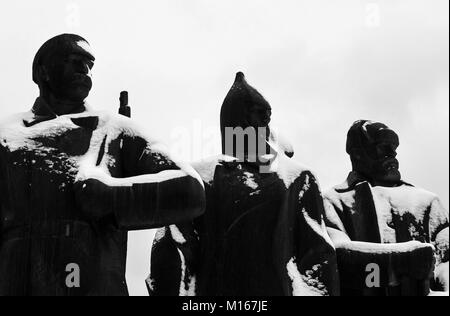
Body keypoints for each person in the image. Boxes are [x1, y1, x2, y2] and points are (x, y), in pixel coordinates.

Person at [0, 34, 205, 296]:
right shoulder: (6, 136)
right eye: (73, 61)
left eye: (88, 65)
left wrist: (112, 197)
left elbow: (190, 191)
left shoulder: (113, 128)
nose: (83, 70)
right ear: (42, 71)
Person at [148, 72, 339, 296]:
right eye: (259, 117)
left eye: (266, 118)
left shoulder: (297, 177)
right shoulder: (198, 178)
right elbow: (174, 252)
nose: (264, 126)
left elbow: (317, 259)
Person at [324, 120, 449, 296]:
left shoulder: (427, 202)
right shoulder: (334, 201)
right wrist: (402, 261)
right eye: (383, 147)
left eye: (394, 147)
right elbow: (336, 259)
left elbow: (447, 263)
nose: (393, 153)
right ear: (358, 154)